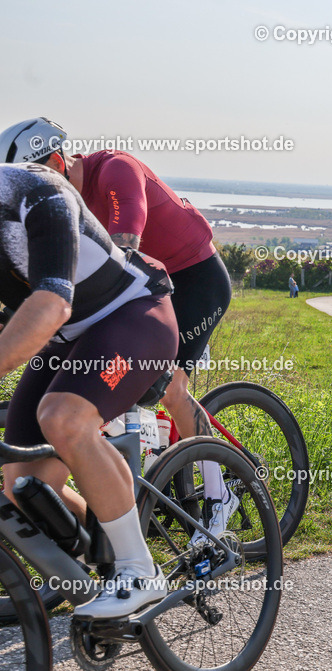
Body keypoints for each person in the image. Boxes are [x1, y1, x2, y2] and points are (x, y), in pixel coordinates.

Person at [0, 118, 238, 547]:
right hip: (137, 290)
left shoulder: (115, 169)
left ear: (58, 161)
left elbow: (126, 241)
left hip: (193, 279)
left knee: (171, 388)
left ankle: (220, 493)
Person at [0, 162, 177, 619]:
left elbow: (53, 303)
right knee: (25, 484)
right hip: (69, 338)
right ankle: (107, 540)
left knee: (63, 417)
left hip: (133, 314)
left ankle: (139, 570)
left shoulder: (34, 190)